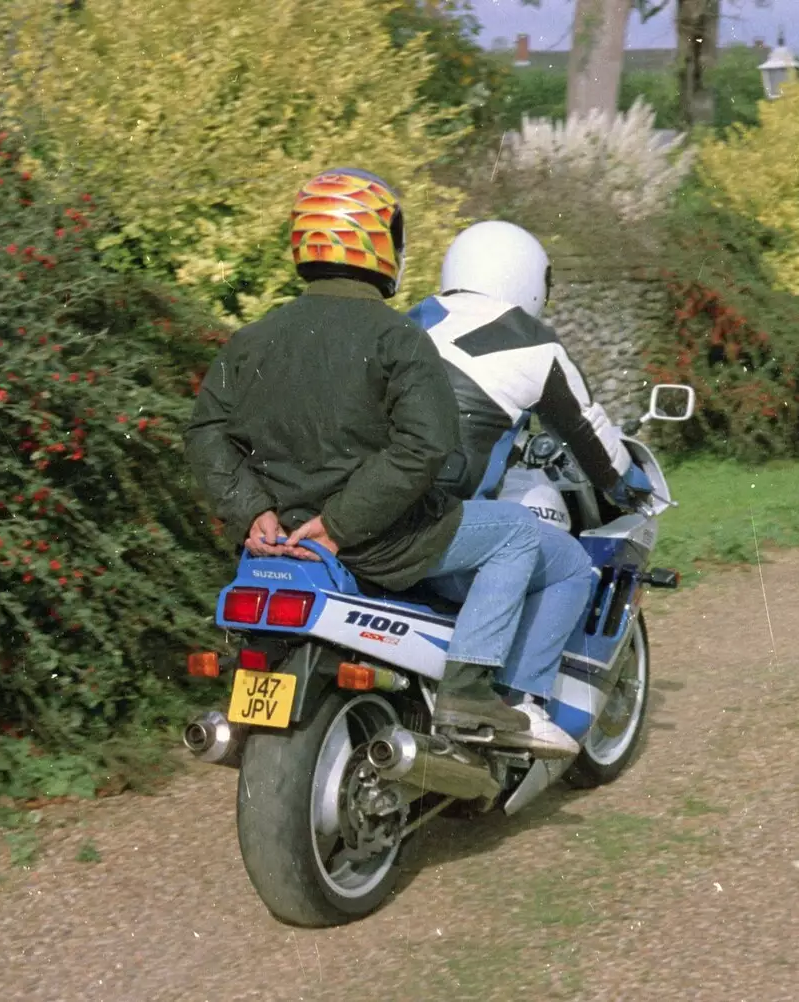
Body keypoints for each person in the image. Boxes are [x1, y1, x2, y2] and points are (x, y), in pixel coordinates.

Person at [184, 168, 577, 754]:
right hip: (380, 540)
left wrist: (252, 511)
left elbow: (207, 432)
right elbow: (424, 447)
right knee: (518, 534)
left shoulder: (254, 337)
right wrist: (341, 524)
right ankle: (469, 691)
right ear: (381, 243)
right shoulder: (398, 339)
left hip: (276, 540)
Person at [407, 220, 654, 745]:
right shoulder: (534, 345)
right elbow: (592, 437)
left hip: (364, 520)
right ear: (530, 280)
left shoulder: (406, 323)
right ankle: (517, 704)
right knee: (568, 567)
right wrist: (630, 487)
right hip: (437, 531)